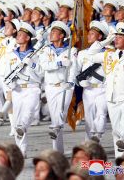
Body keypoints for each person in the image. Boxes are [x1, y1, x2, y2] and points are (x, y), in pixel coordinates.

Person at [87, 22, 124, 158]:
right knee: (116, 130)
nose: (117, 39)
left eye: (121, 36)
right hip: (112, 97)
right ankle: (121, 159)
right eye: (116, 36)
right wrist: (105, 41)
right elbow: (90, 54)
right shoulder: (109, 55)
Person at [1, 21, 43, 156]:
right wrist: (9, 86)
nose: (18, 36)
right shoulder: (11, 55)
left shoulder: (36, 54)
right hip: (17, 89)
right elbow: (6, 74)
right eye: (17, 34)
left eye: (21, 35)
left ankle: (23, 126)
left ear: (28, 38)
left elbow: (42, 73)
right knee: (17, 119)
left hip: (32, 88)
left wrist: (32, 65)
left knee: (29, 112)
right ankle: (21, 149)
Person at [39, 21, 77, 153]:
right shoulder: (46, 49)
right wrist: (60, 63)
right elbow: (45, 66)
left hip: (65, 86)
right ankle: (58, 150)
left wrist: (71, 83)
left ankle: (55, 127)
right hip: (50, 86)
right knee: (55, 116)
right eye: (51, 32)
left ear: (62, 35)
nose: (51, 34)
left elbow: (74, 69)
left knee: (61, 111)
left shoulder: (71, 50)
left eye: (55, 32)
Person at [77, 20, 109, 142]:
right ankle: (89, 143)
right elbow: (76, 72)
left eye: (92, 33)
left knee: (101, 113)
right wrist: (79, 83)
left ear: (100, 37)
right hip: (88, 89)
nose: (89, 35)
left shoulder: (108, 53)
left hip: (102, 88)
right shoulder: (82, 54)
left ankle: (98, 136)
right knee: (89, 119)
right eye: (89, 33)